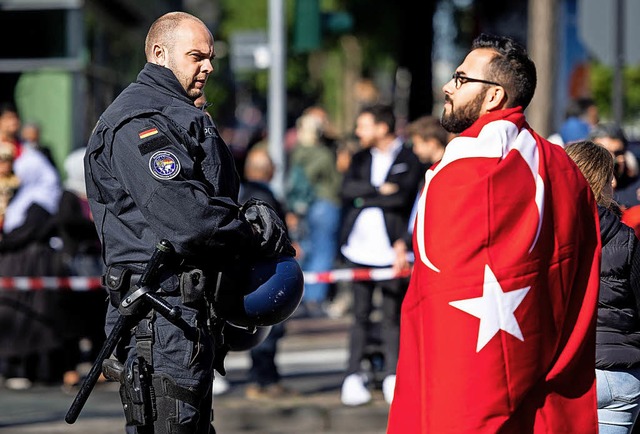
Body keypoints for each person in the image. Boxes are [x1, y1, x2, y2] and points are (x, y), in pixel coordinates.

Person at [84, 11, 294, 433]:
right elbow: (190, 219)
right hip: (160, 321)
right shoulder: (139, 123)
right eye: (197, 56)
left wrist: (243, 215)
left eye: (211, 57)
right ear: (160, 54)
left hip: (184, 318)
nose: (209, 67)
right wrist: (250, 230)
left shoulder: (177, 113)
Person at [387, 34, 601, 433]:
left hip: (463, 391)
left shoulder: (464, 168)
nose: (447, 87)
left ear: (493, 97)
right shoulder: (563, 168)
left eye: (461, 78)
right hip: (541, 382)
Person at [339, 104, 422, 406]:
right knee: (359, 315)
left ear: (382, 127)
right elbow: (349, 191)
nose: (358, 132)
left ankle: (392, 373)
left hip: (392, 251)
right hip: (358, 248)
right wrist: (377, 190)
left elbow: (403, 195)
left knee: (391, 315)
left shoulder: (408, 157)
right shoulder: (360, 158)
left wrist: (370, 197)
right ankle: (352, 373)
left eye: (364, 125)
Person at [565, 140, 640, 434]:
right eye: (608, 174)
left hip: (566, 369)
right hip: (619, 371)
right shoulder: (625, 237)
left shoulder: (546, 230)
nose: (613, 181)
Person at [238, 147, 294, 400]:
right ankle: (264, 380)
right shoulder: (263, 196)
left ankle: (265, 378)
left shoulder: (244, 193)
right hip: (267, 273)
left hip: (253, 272)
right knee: (270, 328)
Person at [286, 111, 342, 317]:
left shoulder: (297, 152)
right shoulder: (322, 154)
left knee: (305, 249)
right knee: (323, 251)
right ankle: (314, 299)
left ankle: (298, 295)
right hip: (325, 203)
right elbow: (334, 182)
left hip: (304, 206)